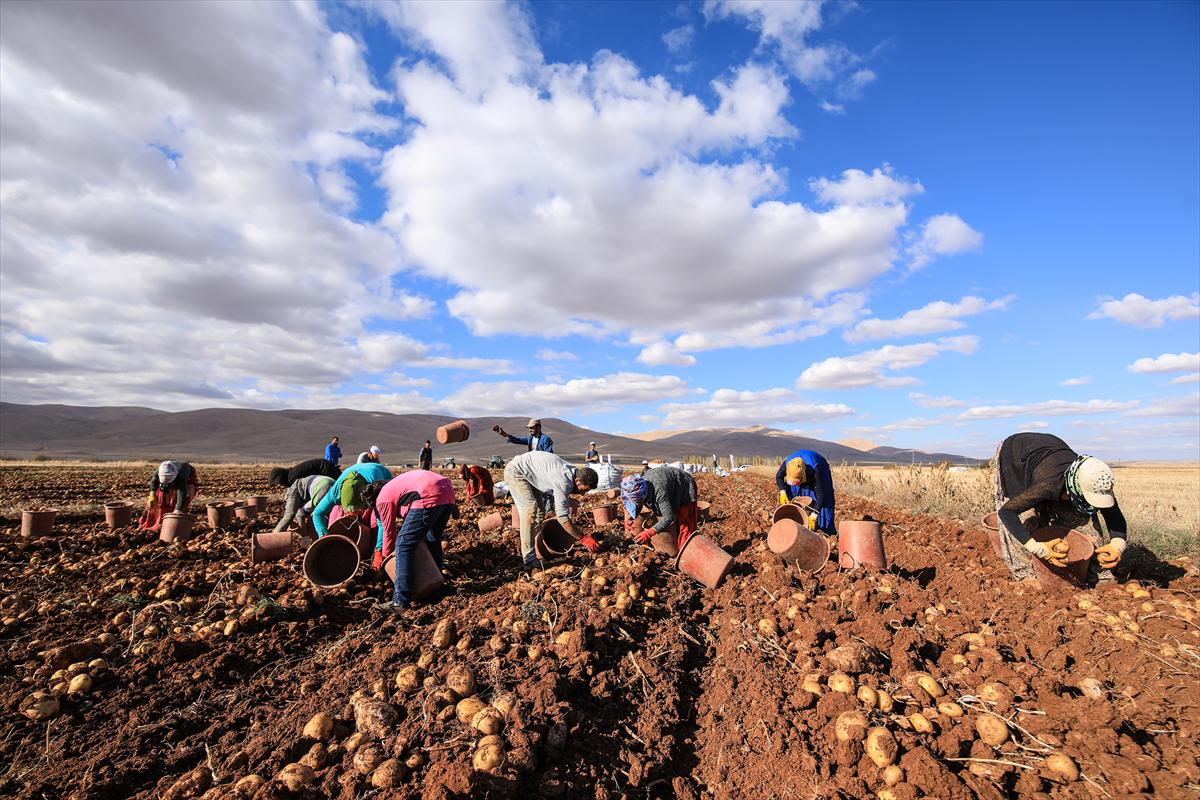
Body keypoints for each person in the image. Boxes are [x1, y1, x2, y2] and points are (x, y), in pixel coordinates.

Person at [993, 432, 1127, 583]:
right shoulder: (1049, 484)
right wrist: (1039, 549)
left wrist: (1117, 545)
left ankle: (1098, 573)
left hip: (1052, 455)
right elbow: (1007, 512)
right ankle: (1026, 573)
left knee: (1085, 521)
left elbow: (1113, 515)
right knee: (1026, 520)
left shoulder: (1098, 481)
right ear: (1075, 487)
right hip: (1016, 457)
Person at [369, 470, 457, 613]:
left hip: (428, 492)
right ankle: (438, 586)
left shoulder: (381, 499)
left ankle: (400, 601)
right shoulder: (397, 487)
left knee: (403, 544)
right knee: (432, 538)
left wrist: (386, 559)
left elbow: (389, 532)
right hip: (446, 488)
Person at [503, 451, 598, 573]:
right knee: (530, 511)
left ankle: (534, 544)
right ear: (578, 480)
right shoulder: (563, 481)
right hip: (516, 472)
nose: (583, 494)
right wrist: (583, 538)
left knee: (540, 512)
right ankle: (529, 559)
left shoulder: (572, 472)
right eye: (583, 490)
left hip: (530, 474)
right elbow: (562, 518)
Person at [620, 467, 698, 552]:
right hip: (668, 486)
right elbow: (638, 503)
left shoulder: (659, 491)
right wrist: (630, 518)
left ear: (644, 494)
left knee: (685, 524)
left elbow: (669, 517)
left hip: (684, 486)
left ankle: (687, 553)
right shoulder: (639, 487)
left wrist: (649, 533)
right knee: (668, 515)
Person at [310, 460, 393, 537]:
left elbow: (382, 521)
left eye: (357, 508)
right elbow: (317, 514)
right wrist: (324, 535)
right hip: (354, 471)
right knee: (342, 516)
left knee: (374, 521)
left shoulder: (374, 489)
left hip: (380, 473)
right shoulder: (335, 494)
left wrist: (379, 548)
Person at [775, 450, 836, 534]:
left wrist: (815, 514)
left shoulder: (816, 468)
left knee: (824, 498)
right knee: (792, 492)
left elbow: (821, 494)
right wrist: (782, 492)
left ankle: (825, 529)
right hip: (803, 473)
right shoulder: (788, 464)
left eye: (798, 482)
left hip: (819, 467)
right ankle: (799, 522)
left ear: (803, 476)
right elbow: (779, 477)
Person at [139, 460, 199, 531]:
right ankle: (157, 522)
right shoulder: (157, 472)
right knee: (160, 497)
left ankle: (175, 523)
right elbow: (154, 484)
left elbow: (182, 493)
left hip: (188, 479)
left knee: (187, 495)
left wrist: (178, 509)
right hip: (172, 478)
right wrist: (152, 497)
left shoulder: (181, 477)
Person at [268, 457, 340, 487]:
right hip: (325, 467)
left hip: (326, 469)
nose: (279, 485)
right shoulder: (292, 474)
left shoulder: (294, 478)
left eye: (278, 483)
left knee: (338, 486)